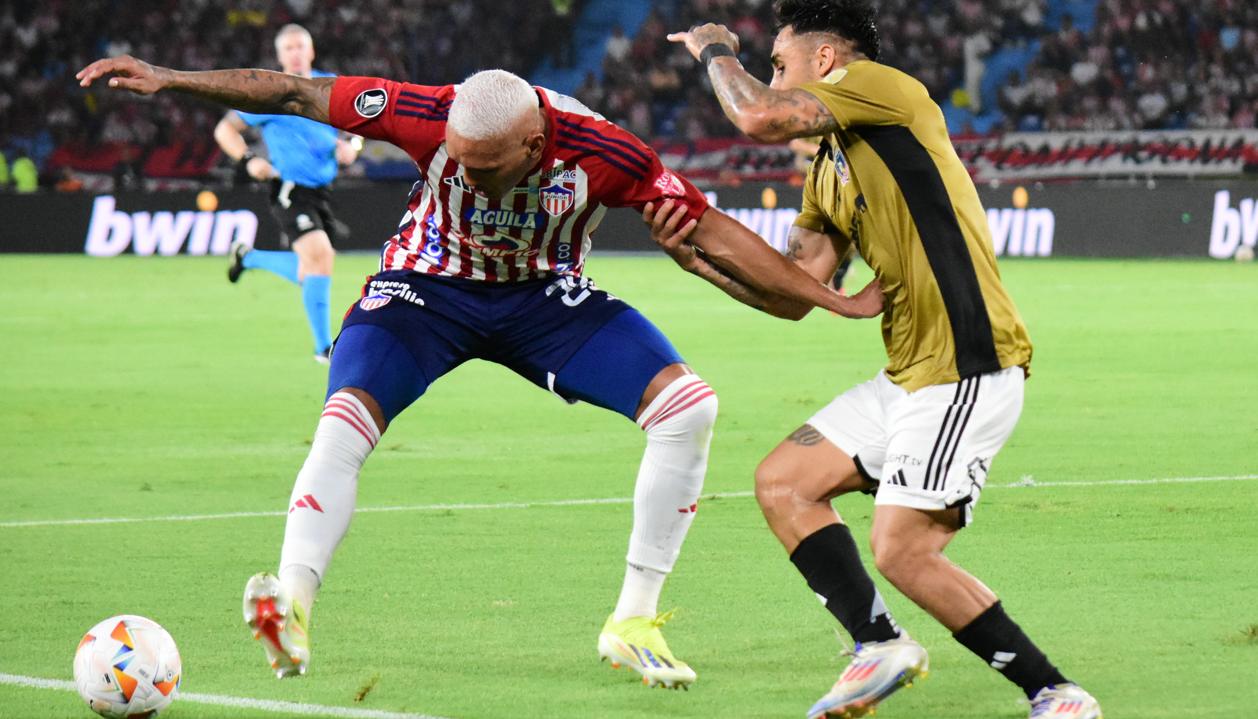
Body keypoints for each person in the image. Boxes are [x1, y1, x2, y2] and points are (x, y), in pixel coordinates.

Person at [76, 53, 880, 690]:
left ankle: (633, 621)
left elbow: (710, 229)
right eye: (456, 160)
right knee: (344, 416)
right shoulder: (425, 115)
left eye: (486, 166)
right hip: (423, 290)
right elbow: (290, 92)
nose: (466, 173)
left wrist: (828, 300)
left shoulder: (604, 151)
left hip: (543, 299)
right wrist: (171, 79)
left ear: (536, 144)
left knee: (689, 408)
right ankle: (292, 601)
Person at [656, 1, 1103, 717]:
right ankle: (880, 643)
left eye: (780, 63)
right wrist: (700, 263)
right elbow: (794, 291)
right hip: (908, 376)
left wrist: (715, 50)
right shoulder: (830, 170)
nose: (772, 79)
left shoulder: (883, 88)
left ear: (826, 60)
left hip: (966, 362)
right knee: (784, 482)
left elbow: (758, 116)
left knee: (902, 550)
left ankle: (1055, 691)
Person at [213, 24, 361, 364]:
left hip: (322, 190)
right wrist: (249, 160)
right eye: (289, 48)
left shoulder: (330, 86)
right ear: (280, 56)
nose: (295, 52)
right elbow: (225, 129)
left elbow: (359, 129)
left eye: (300, 46)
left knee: (313, 269)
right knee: (320, 256)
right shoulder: (270, 93)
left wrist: (352, 145)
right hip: (289, 188)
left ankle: (248, 257)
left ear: (311, 52)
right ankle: (324, 348)